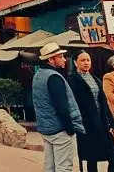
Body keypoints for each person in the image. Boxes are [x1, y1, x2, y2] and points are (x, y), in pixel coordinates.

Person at [32, 43, 85, 172]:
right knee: (64, 167)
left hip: (46, 127)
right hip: (59, 129)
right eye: (60, 56)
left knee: (49, 167)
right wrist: (70, 128)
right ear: (51, 59)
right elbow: (61, 105)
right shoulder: (53, 77)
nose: (64, 59)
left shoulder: (38, 75)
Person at [67, 51, 114, 172]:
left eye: (88, 60)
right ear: (75, 63)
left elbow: (104, 102)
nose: (86, 63)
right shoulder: (72, 79)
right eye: (82, 60)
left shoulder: (96, 79)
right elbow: (73, 103)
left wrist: (111, 122)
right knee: (92, 158)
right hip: (87, 123)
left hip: (102, 122)